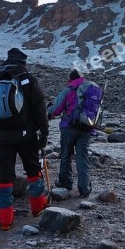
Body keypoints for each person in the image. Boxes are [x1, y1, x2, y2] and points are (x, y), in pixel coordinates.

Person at [0, 48, 50, 230]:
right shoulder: (28, 79)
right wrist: (44, 133)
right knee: (33, 170)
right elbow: (40, 109)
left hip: (1, 138)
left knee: (4, 177)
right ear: (23, 62)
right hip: (26, 136)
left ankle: (5, 220)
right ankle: (37, 207)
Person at [47, 69, 94, 198]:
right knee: (82, 157)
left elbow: (56, 109)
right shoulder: (90, 90)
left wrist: (48, 110)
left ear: (70, 79)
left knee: (66, 155)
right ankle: (84, 188)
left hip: (68, 127)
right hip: (86, 128)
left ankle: (65, 183)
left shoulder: (68, 90)